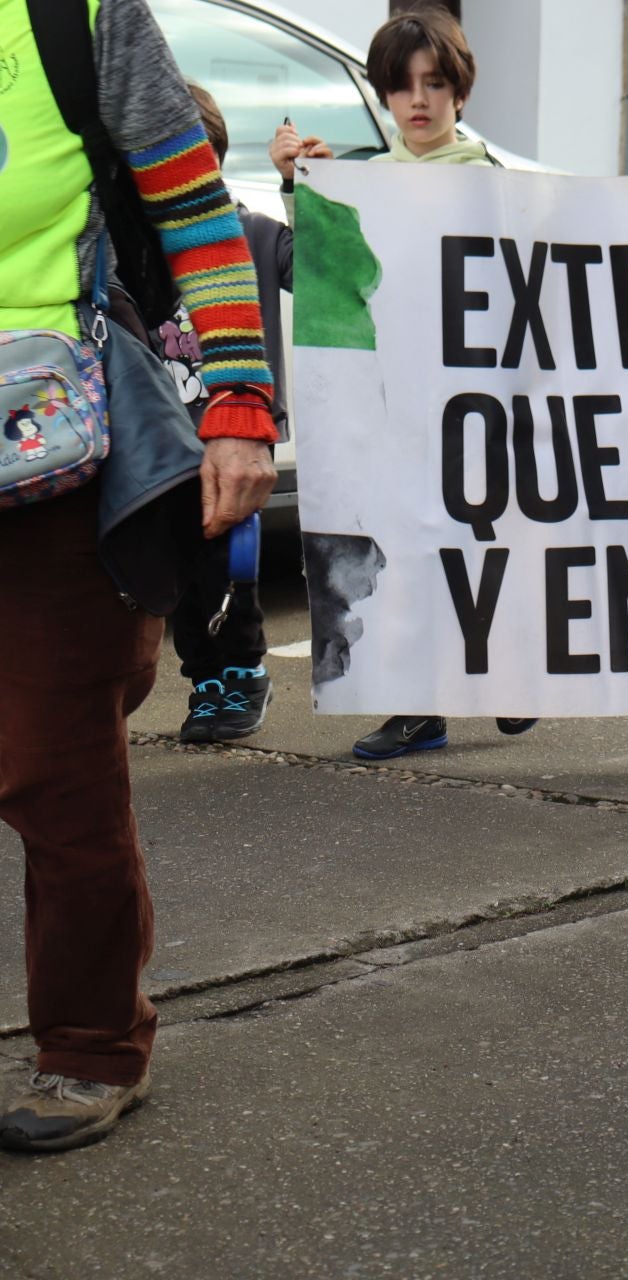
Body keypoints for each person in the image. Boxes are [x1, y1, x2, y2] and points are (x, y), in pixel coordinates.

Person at [0, 0, 279, 1151]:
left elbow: (194, 210)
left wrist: (239, 403)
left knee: (55, 773)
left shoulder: (75, 15)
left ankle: (91, 1044)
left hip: (48, 455)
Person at [271, 8, 538, 761]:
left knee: (477, 545)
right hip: (393, 403)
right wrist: (304, 191)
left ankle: (507, 675)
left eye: (434, 84)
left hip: (473, 407)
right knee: (405, 546)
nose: (417, 101)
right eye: (401, 87)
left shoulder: (490, 181)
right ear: (384, 95)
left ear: (460, 92)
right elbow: (325, 280)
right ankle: (420, 708)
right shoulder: (369, 184)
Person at [157, 84, 287, 743]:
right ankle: (204, 682)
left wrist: (302, 185)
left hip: (233, 438)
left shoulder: (257, 233)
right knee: (180, 574)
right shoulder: (145, 250)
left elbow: (326, 267)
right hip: (168, 439)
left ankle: (246, 672)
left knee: (229, 567)